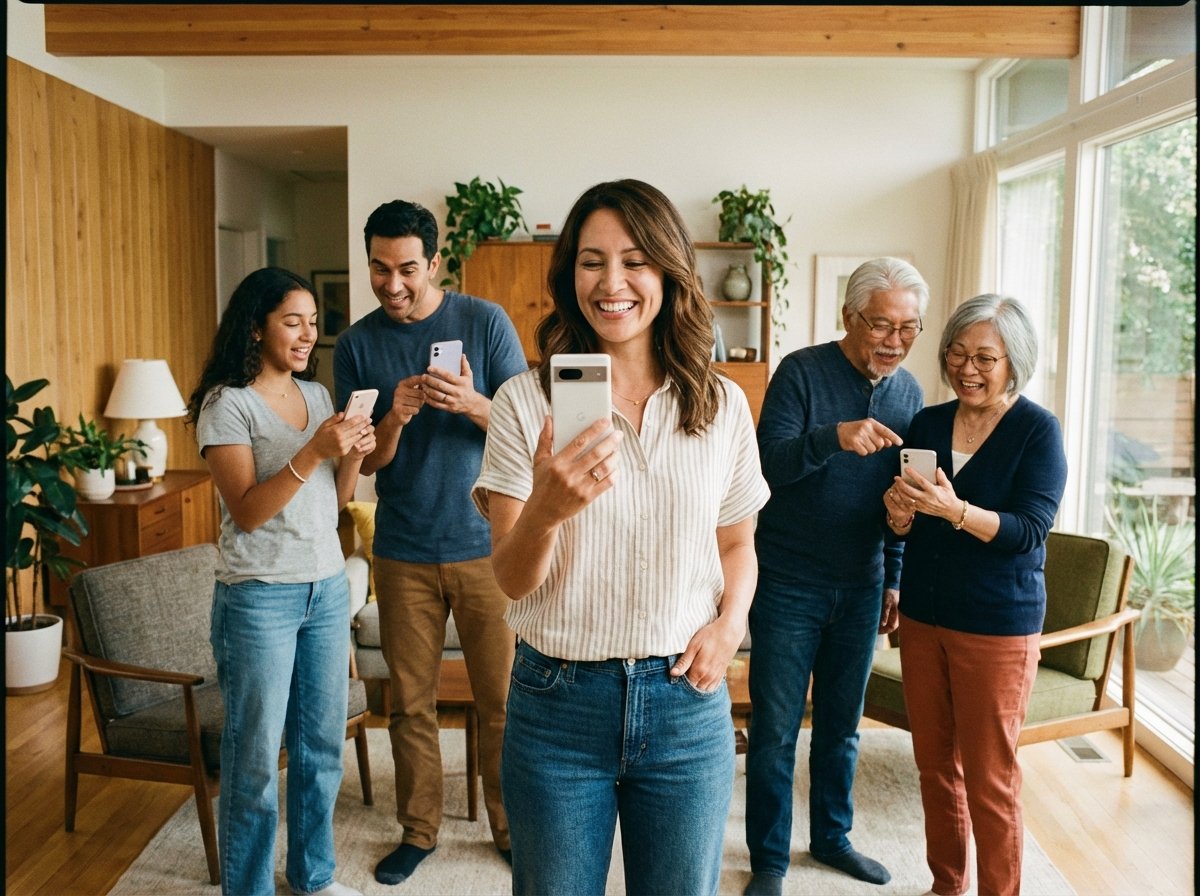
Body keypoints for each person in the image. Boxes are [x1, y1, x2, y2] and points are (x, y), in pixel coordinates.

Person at [471, 179, 771, 896]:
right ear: (568, 274)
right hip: (556, 702)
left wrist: (732, 625)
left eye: (634, 261)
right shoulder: (524, 402)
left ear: (668, 271)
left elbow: (738, 543)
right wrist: (546, 507)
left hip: (685, 700)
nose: (612, 283)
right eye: (590, 261)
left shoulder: (721, 402)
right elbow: (512, 579)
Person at [333, 199, 528, 885]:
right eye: (380, 270)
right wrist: (393, 420)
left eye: (407, 269)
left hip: (487, 548)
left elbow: (531, 433)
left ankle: (510, 829)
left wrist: (474, 403)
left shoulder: (483, 322)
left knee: (501, 702)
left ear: (434, 261)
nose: (393, 285)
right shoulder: (357, 344)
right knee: (410, 704)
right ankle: (419, 832)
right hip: (403, 551)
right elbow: (365, 464)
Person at [187, 267, 376, 896]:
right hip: (258, 596)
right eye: (292, 321)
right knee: (255, 759)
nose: (306, 334)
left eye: (313, 323)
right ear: (257, 325)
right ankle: (247, 888)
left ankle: (313, 877)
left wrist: (348, 455)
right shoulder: (226, 404)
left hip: (325, 590)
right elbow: (245, 508)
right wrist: (315, 452)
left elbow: (337, 497)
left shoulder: (318, 397)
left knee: (321, 750)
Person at [744, 257, 930, 895]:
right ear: (849, 317)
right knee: (774, 730)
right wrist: (832, 438)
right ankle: (769, 859)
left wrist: (895, 576)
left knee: (843, 726)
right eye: (882, 325)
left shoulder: (908, 394)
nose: (894, 341)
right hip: (788, 580)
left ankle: (831, 838)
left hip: (863, 581)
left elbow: (905, 496)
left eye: (909, 329)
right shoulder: (801, 372)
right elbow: (764, 468)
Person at [882, 294, 1066, 896]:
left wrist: (956, 511)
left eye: (985, 357)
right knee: (935, 768)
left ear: (1015, 362)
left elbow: (1028, 530)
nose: (968, 368)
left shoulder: (1038, 430)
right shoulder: (930, 423)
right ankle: (946, 885)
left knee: (990, 780)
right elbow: (905, 525)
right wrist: (902, 516)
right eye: (958, 354)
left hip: (996, 628)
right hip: (924, 620)